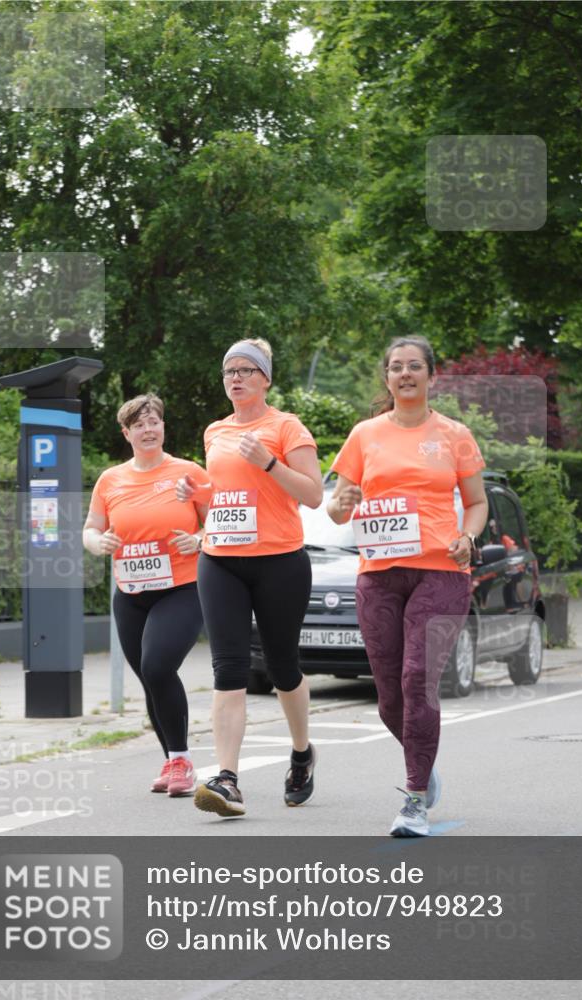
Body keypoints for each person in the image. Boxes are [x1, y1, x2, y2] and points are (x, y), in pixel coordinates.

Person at [327, 336, 488, 837]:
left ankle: (414, 796)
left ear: (431, 376)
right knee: (389, 698)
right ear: (387, 378)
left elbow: (477, 503)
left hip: (442, 571)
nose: (405, 374)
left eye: (414, 366)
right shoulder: (365, 435)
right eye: (396, 367)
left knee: (418, 678)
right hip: (378, 575)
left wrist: (467, 536)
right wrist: (343, 501)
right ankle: (424, 759)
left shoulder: (455, 434)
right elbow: (335, 509)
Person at [177, 338, 323, 818]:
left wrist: (270, 462)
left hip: (280, 561)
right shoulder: (214, 431)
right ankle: (227, 779)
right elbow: (222, 492)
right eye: (228, 372)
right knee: (229, 668)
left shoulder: (287, 427)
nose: (235, 378)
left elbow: (314, 495)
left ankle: (301, 752)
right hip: (219, 559)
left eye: (245, 370)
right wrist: (196, 492)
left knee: (282, 667)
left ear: (265, 378)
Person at [83, 393, 210, 797]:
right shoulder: (111, 479)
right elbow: (90, 528)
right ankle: (174, 759)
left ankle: (183, 762)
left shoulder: (189, 473)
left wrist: (199, 539)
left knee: (157, 667)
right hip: (131, 593)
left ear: (163, 428)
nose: (148, 429)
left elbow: (218, 523)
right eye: (139, 424)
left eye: (154, 421)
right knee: (150, 678)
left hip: (182, 588)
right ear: (127, 433)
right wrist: (96, 542)